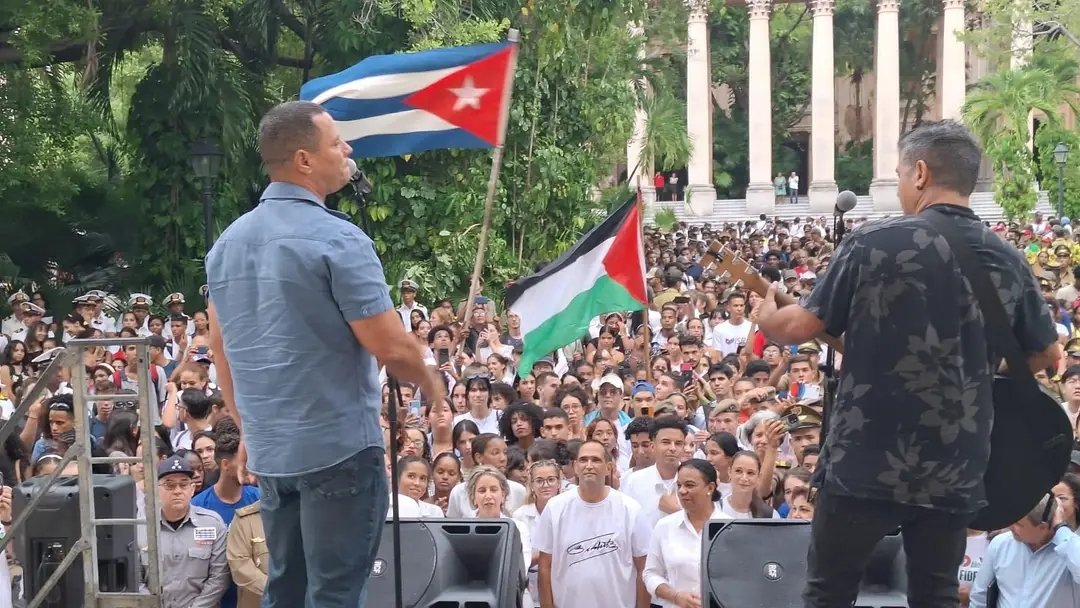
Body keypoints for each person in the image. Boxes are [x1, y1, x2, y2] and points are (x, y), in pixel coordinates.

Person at [755, 120, 1061, 607]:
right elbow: (1048, 354)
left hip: (864, 459)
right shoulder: (1007, 257)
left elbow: (799, 327)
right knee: (935, 595)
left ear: (919, 173)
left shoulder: (874, 242)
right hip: (955, 464)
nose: (898, 187)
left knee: (828, 592)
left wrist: (769, 318)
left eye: (899, 174)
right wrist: (977, 371)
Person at [205, 100, 445, 608]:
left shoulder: (226, 245)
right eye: (337, 142)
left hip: (273, 454)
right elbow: (387, 345)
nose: (348, 149)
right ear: (304, 160)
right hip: (338, 450)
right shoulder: (338, 237)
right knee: (334, 594)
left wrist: (248, 427)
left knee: (286, 588)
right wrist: (428, 377)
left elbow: (221, 350)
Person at [533, 440, 651, 608]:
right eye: (583, 460)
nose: (589, 465)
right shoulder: (555, 508)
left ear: (609, 468)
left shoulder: (630, 509)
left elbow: (643, 569)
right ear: (575, 466)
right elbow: (544, 569)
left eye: (596, 460)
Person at [643, 459, 732, 608]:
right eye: (679, 485)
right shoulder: (665, 527)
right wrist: (675, 596)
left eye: (689, 485)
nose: (682, 491)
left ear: (710, 488)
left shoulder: (730, 528)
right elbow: (650, 574)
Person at [968, 495, 1080, 607]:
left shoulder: (1069, 549)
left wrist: (1061, 527)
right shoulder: (1001, 544)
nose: (1012, 527)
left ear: (1043, 527)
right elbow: (979, 597)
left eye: (1019, 524)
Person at [156, 454, 230, 608]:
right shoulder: (142, 527)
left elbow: (219, 578)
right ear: (156, 489)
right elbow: (136, 579)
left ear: (192, 488)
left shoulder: (213, 524)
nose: (177, 491)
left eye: (183, 484)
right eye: (169, 485)